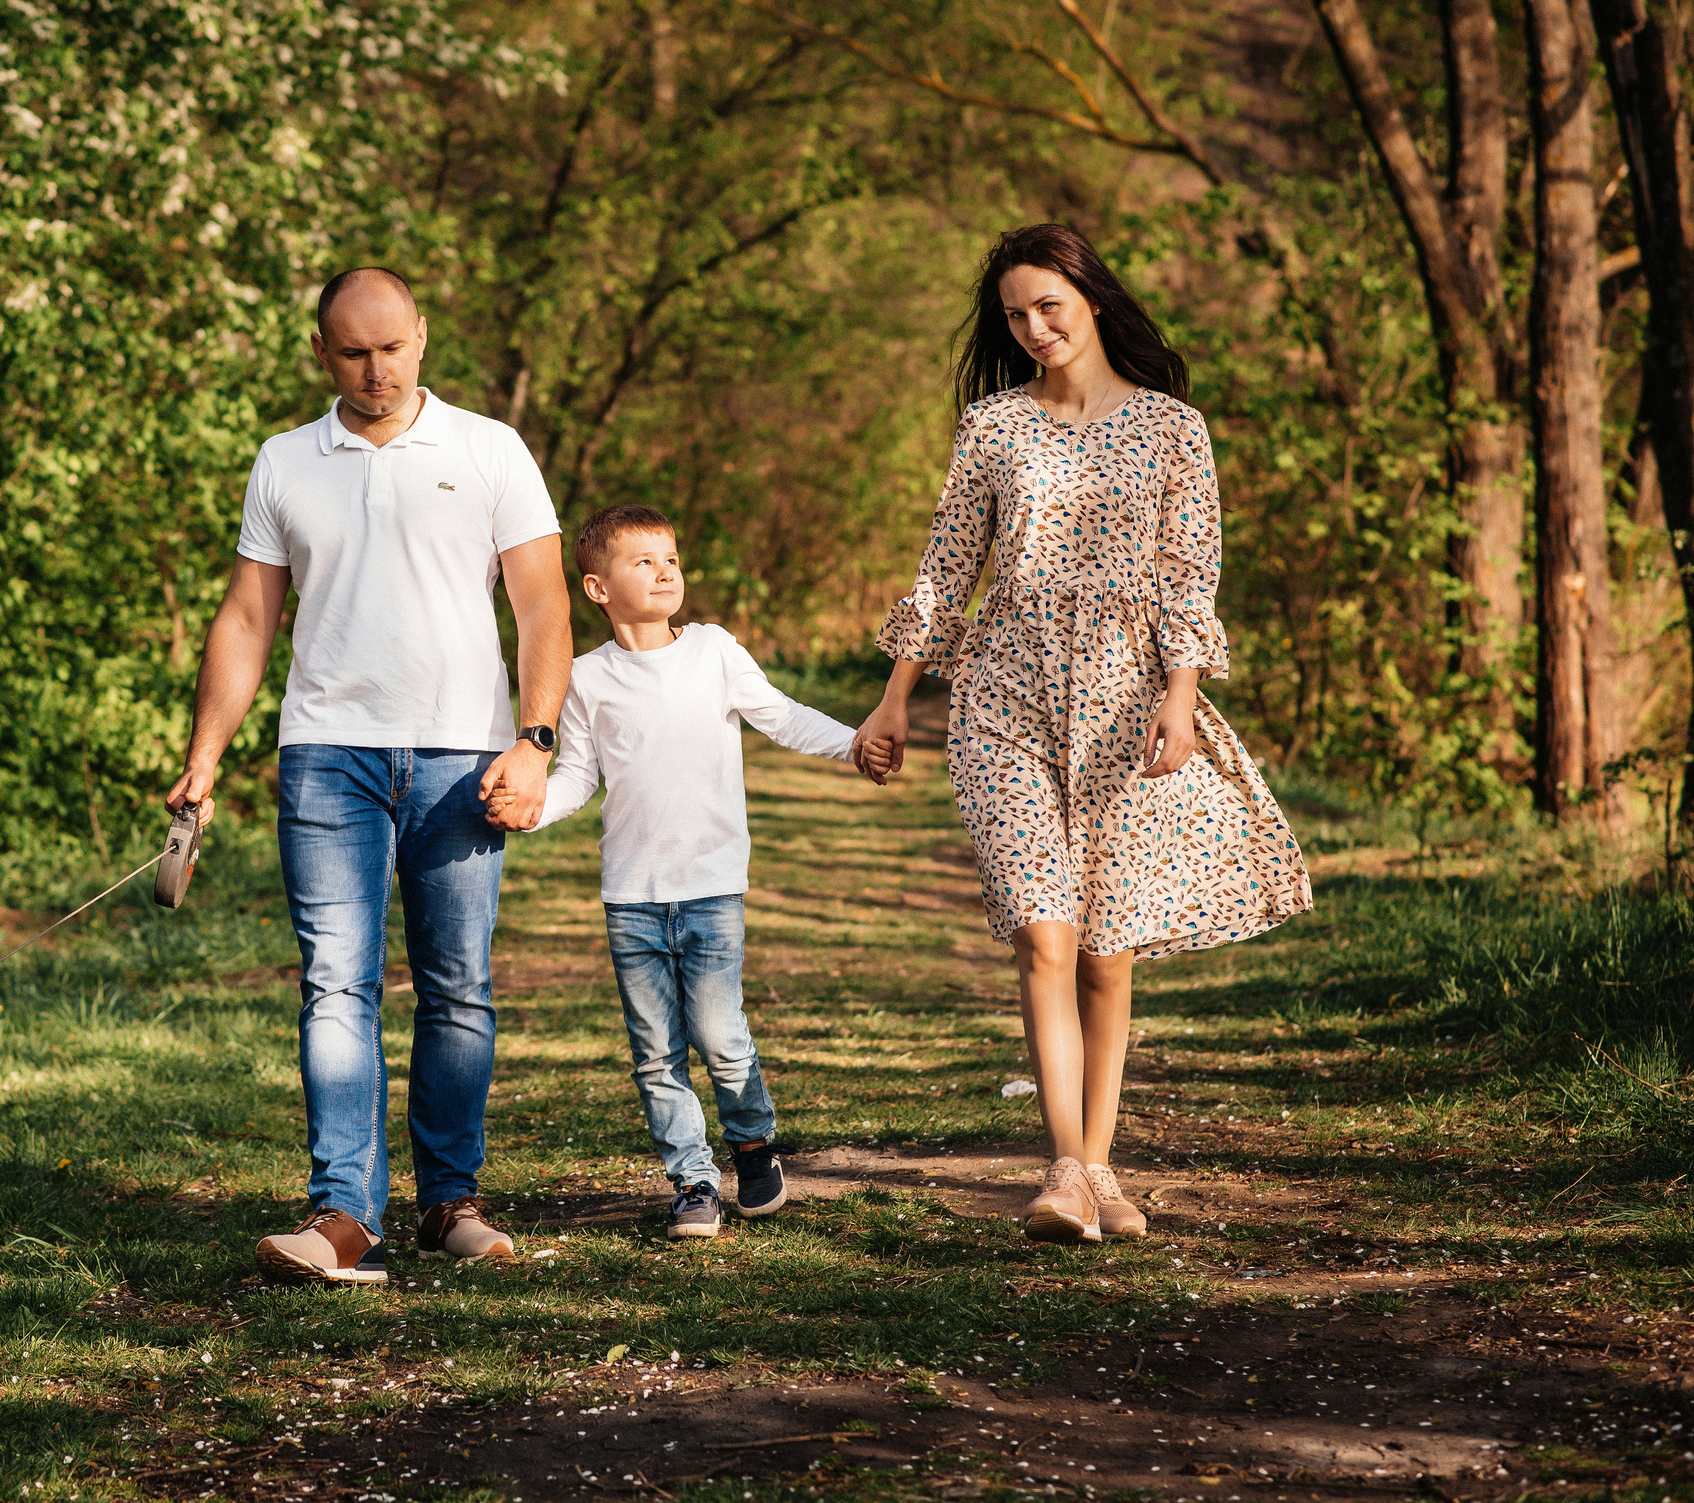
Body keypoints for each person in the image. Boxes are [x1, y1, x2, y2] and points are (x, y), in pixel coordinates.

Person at [851, 223, 1311, 1245]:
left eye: (1048, 306)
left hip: (1124, 697)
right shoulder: (992, 425)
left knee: (1106, 949)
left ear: (1091, 298)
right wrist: (893, 698)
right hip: (1002, 695)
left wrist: (1180, 694)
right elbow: (948, 565)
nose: (1033, 327)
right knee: (1043, 931)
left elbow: (1189, 574)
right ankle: (1064, 1171)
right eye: (1015, 314)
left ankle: (1099, 1166)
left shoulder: (1172, 428)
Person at [165, 267, 572, 1286]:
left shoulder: (490, 448)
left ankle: (450, 1201)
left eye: (391, 347)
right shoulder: (284, 460)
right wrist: (204, 756)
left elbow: (542, 605)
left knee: (457, 985)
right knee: (334, 982)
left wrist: (534, 740)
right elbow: (248, 617)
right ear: (322, 352)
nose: (375, 369)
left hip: (462, 754)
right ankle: (344, 1214)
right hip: (325, 752)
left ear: (421, 337)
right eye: (353, 352)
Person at [493, 505, 857, 1243]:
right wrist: (532, 807)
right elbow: (578, 775)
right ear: (598, 588)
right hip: (631, 896)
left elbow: (782, 716)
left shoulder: (713, 651)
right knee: (656, 1053)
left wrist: (855, 744)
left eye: (672, 559)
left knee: (720, 1035)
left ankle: (752, 1145)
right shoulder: (586, 678)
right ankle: (693, 1181)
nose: (665, 572)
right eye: (644, 561)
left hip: (712, 886)